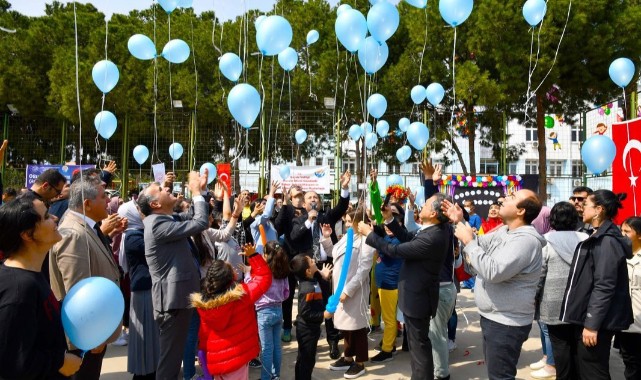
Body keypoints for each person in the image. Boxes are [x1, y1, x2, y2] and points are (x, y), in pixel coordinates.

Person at [443, 189, 545, 380]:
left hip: (506, 322)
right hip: (494, 317)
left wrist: (468, 241)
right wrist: (460, 221)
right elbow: (479, 243)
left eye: (512, 198)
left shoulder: (525, 241)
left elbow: (493, 271)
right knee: (496, 373)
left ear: (521, 211)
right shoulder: (506, 231)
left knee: (501, 376)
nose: (505, 198)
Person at [358, 193, 451, 380]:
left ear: (433, 213)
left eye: (425, 205)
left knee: (419, 347)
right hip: (418, 296)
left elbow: (395, 250)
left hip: (418, 298)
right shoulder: (433, 230)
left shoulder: (433, 236)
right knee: (419, 346)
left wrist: (369, 234)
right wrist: (390, 219)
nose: (420, 207)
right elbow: (407, 237)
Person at [137, 170, 211, 380]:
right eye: (160, 190)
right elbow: (200, 223)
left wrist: (202, 191)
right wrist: (195, 191)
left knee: (174, 357)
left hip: (179, 298)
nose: (167, 188)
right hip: (172, 301)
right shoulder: (156, 223)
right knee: (170, 363)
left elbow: (197, 215)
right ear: (155, 205)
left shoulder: (168, 219)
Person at [48, 176, 123, 379]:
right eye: (103, 196)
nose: (108, 201)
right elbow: (77, 290)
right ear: (87, 204)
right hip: (86, 337)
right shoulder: (73, 233)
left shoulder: (87, 227)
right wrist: (90, 336)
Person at [0, 196, 82, 379]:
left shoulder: (33, 275)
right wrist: (60, 362)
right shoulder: (19, 290)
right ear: (28, 235)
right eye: (45, 217)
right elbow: (12, 361)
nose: (55, 218)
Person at [559, 190, 633, 379]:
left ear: (598, 210)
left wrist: (591, 325)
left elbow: (604, 285)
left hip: (598, 322)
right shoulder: (597, 235)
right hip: (588, 318)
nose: (581, 209)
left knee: (593, 372)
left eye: (586, 205)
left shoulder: (607, 241)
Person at [289, 170, 352, 359]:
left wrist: (345, 188)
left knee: (329, 302)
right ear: (304, 203)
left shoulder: (326, 217)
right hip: (309, 269)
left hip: (327, 266)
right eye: (310, 198)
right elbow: (294, 237)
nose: (313, 200)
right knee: (310, 305)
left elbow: (342, 206)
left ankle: (333, 340)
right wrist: (309, 221)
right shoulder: (299, 220)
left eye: (316, 197)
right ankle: (312, 340)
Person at [191, 244, 272, 379]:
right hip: (237, 360)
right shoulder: (242, 296)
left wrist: (203, 353)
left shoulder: (204, 305)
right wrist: (253, 256)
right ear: (229, 278)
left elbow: (204, 334)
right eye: (231, 267)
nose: (234, 268)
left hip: (216, 362)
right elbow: (264, 278)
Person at [534, 202, 588, 379]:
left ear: (553, 219)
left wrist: (533, 300)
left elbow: (539, 276)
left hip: (553, 304)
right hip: (581, 302)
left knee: (560, 346)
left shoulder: (545, 242)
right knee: (579, 347)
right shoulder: (586, 240)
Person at [325, 209, 376, 379]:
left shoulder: (366, 241)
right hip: (340, 289)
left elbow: (363, 270)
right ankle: (347, 357)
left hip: (355, 292)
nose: (347, 224)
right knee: (345, 326)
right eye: (346, 221)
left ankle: (360, 362)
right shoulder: (347, 237)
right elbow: (333, 254)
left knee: (356, 327)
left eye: (349, 221)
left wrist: (348, 290)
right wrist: (327, 238)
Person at [119, 199, 159, 380]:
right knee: (145, 338)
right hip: (143, 292)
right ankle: (144, 372)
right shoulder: (134, 237)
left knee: (151, 338)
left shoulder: (138, 234)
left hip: (147, 290)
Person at [249, 241, 290, 380]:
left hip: (264, 313)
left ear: (266, 255)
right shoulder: (283, 271)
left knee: (266, 349)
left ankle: (266, 377)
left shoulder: (261, 271)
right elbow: (286, 293)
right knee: (277, 347)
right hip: (278, 310)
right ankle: (275, 375)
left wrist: (248, 271)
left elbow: (251, 286)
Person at [290, 253, 333, 380]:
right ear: (308, 271)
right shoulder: (307, 289)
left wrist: (324, 276)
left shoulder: (312, 279)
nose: (314, 260)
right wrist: (323, 315)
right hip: (306, 330)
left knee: (305, 359)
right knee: (306, 361)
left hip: (312, 329)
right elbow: (305, 313)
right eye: (311, 261)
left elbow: (324, 289)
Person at [619, 217, 641, 380]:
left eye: (627, 231)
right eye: (621, 230)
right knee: (630, 362)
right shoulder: (619, 256)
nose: (622, 234)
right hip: (626, 322)